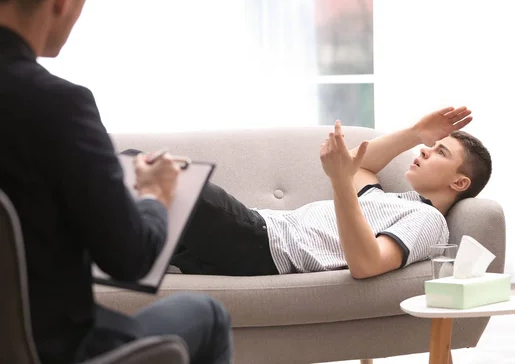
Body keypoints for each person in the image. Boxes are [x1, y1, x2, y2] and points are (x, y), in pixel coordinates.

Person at [0, 0, 231, 363]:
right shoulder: (59, 106)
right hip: (54, 348)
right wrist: (154, 194)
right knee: (207, 314)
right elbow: (129, 257)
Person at [170, 107, 492, 279]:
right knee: (133, 214)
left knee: (163, 175)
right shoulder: (390, 200)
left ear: (460, 183)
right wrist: (415, 132)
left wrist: (340, 181)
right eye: (430, 146)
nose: (423, 151)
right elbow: (358, 165)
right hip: (252, 235)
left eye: (440, 153)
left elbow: (368, 265)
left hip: (262, 244)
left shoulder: (427, 219)